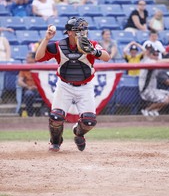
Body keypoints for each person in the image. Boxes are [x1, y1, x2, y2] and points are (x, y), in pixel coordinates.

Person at [35, 17, 110, 152]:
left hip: (85, 87)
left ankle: (78, 133)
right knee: (56, 117)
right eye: (78, 31)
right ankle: (56, 142)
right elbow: (38, 57)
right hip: (64, 86)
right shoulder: (59, 45)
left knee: (89, 121)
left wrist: (93, 51)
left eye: (83, 30)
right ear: (69, 32)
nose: (82, 33)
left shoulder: (91, 44)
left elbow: (106, 57)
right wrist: (46, 39)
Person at [139, 47, 169, 117]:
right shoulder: (148, 61)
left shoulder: (155, 62)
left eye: (157, 54)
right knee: (165, 100)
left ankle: (154, 110)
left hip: (153, 89)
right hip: (145, 90)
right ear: (150, 55)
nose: (156, 56)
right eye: (154, 54)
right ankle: (147, 110)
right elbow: (159, 62)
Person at [17, 52, 40, 116]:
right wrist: (27, 86)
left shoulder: (40, 67)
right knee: (28, 94)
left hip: (40, 89)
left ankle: (44, 112)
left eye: (28, 58)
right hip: (29, 89)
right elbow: (19, 81)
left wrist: (37, 87)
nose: (26, 59)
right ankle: (30, 114)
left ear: (33, 59)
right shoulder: (24, 67)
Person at [0, 34, 11, 102]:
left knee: (1, 80)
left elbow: (8, 51)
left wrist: (7, 61)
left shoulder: (3, 39)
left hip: (2, 61)